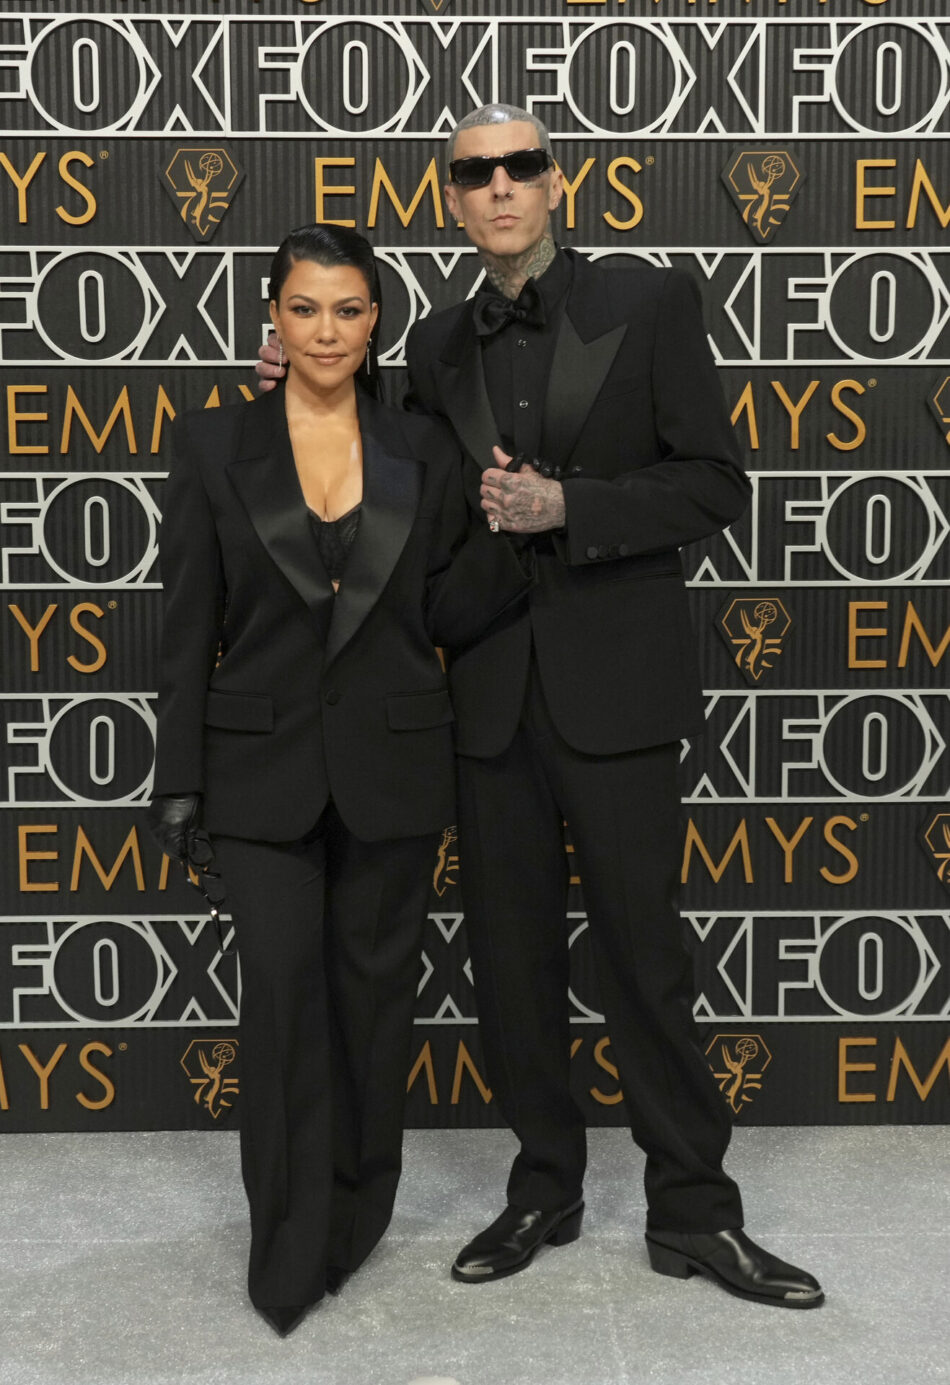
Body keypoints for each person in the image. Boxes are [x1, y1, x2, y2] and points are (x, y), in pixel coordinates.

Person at [257, 108, 823, 1311]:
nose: (499, 186)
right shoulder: (433, 339)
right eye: (474, 173)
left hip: (615, 689)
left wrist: (572, 508)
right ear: (451, 198)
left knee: (642, 957)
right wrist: (299, 402)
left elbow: (715, 481)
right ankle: (544, 1185)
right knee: (510, 966)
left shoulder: (650, 301)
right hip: (487, 693)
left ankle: (693, 1211)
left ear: (555, 182)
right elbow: (394, 497)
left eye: (520, 165)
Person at [149, 223, 528, 1337]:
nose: (324, 329)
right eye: (303, 307)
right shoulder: (214, 441)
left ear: (376, 324)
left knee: (372, 1007)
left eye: (348, 308)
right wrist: (178, 777)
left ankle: (357, 1210)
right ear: (272, 315)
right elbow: (183, 627)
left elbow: (448, 608)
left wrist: (516, 536)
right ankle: (285, 1237)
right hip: (255, 772)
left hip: (394, 767)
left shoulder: (425, 447)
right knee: (279, 1001)